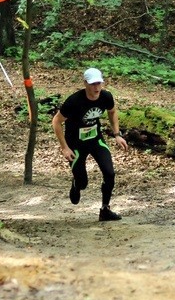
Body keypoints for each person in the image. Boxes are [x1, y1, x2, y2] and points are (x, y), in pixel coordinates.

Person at [52, 67, 128, 221]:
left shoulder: (106, 97)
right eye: (93, 84)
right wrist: (64, 148)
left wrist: (117, 134)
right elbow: (56, 122)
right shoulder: (74, 101)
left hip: (95, 140)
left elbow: (112, 111)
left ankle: (105, 210)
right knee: (83, 183)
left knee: (110, 173)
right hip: (75, 144)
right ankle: (76, 183)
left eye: (99, 83)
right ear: (85, 83)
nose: (97, 87)